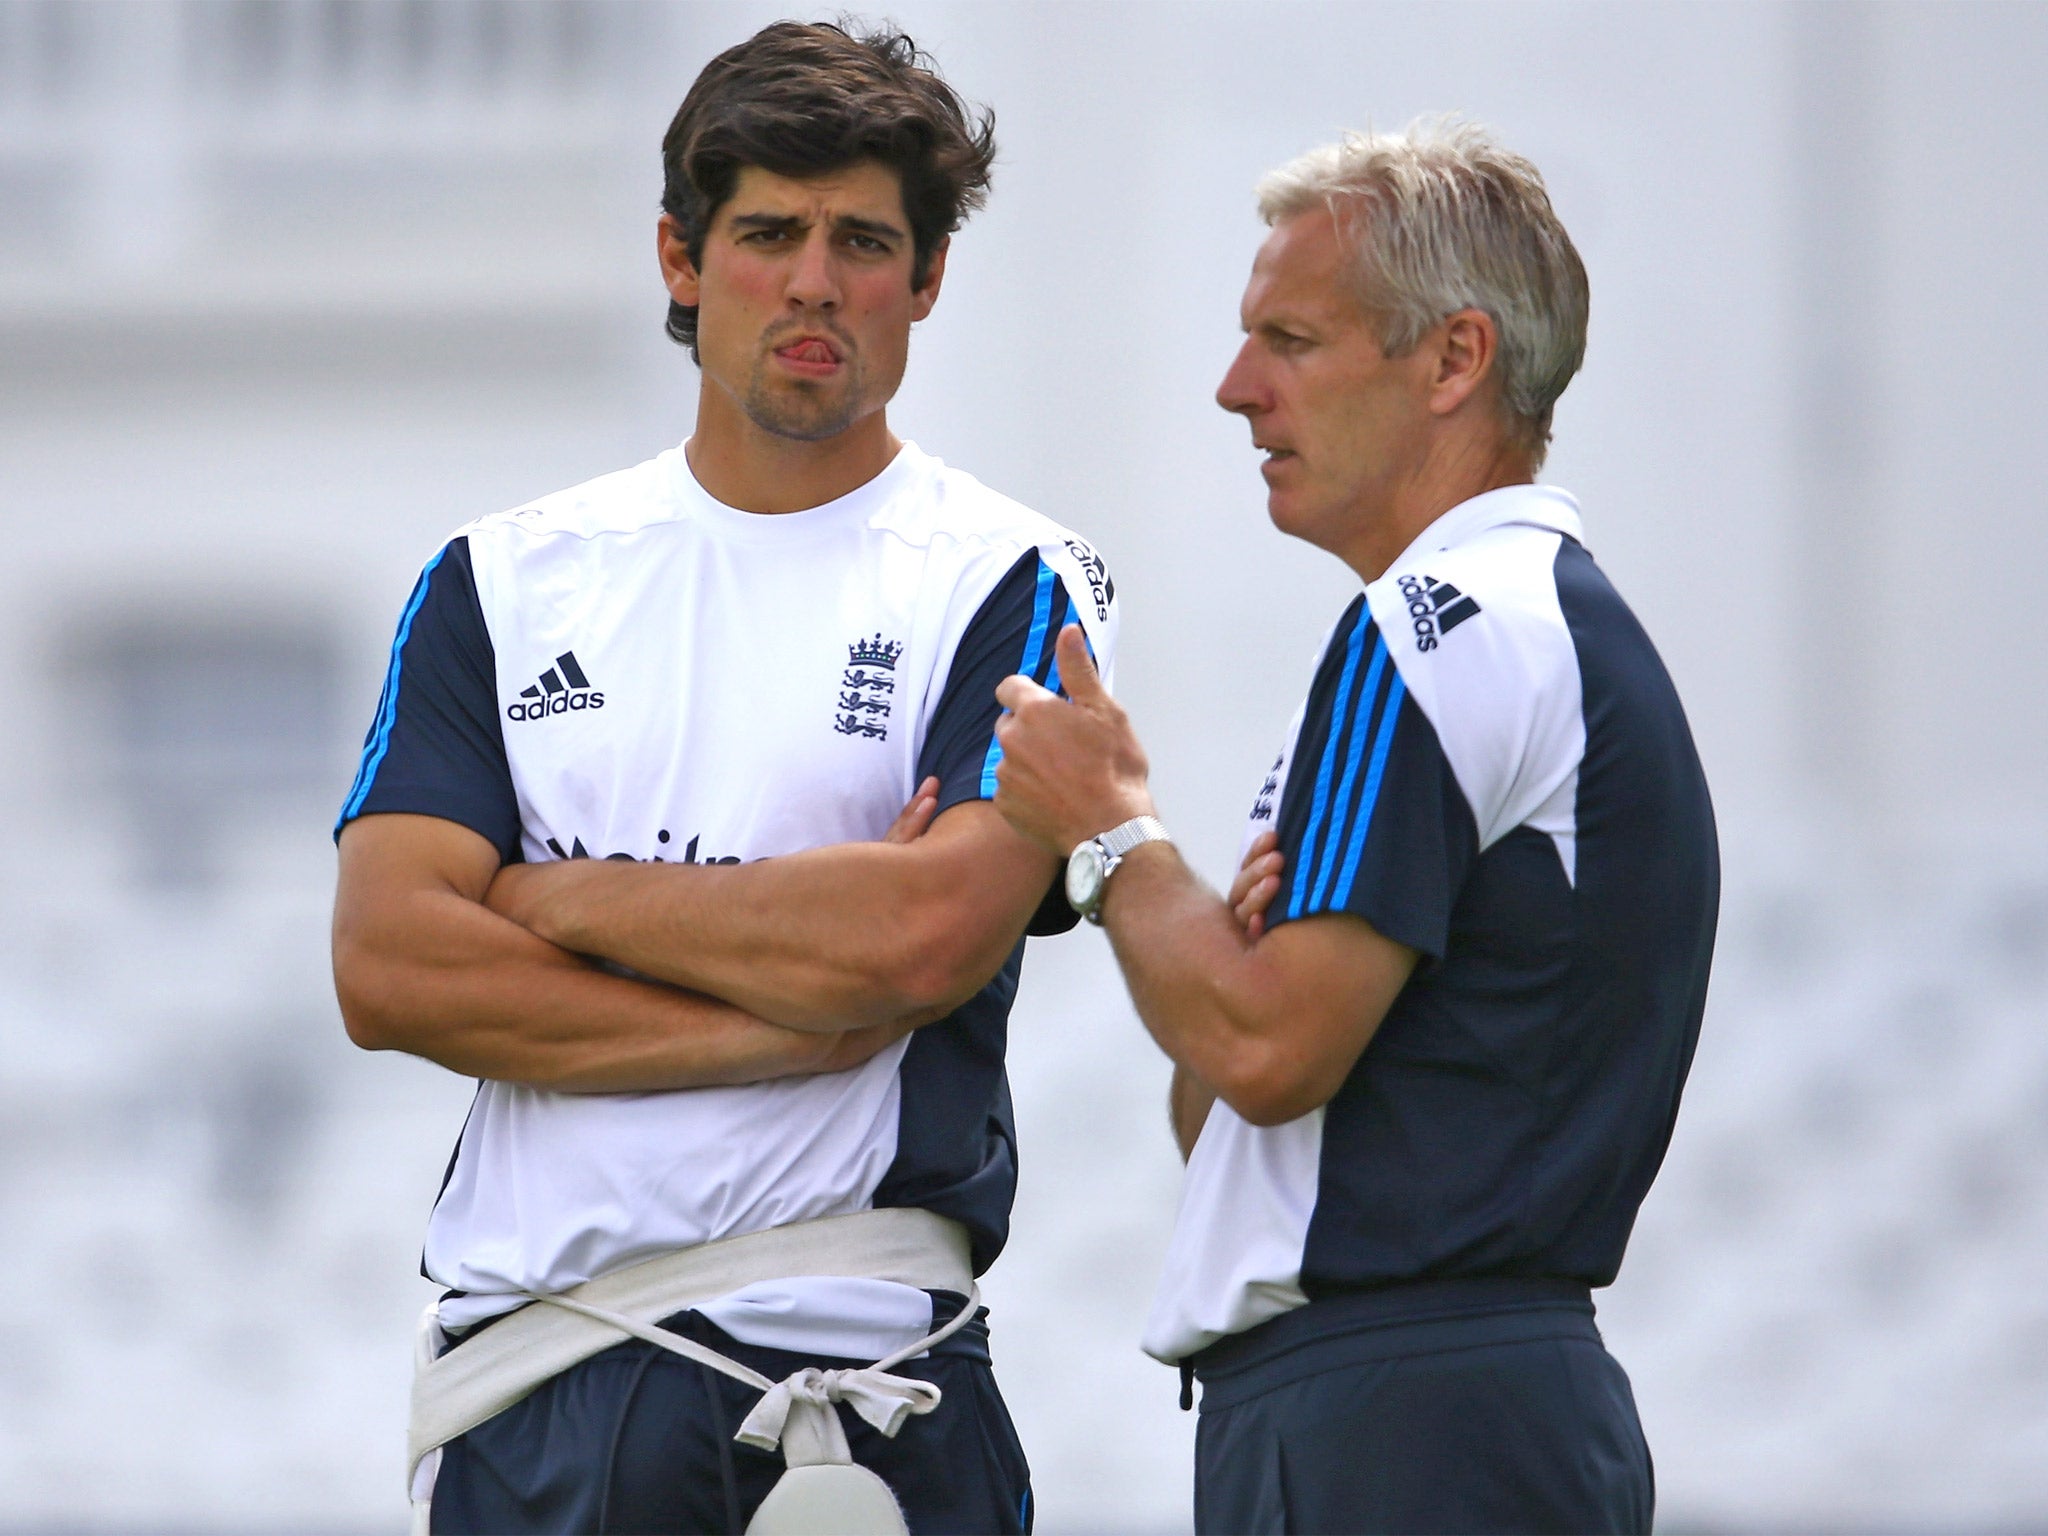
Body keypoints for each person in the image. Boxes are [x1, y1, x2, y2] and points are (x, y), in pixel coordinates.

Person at [330, 21, 1114, 1535]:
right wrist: (794, 1020)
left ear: (927, 281)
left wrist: (550, 893)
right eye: (767, 232)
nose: (814, 280)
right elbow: (389, 966)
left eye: (863, 241)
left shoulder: (1017, 577)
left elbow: (922, 940)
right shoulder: (501, 577)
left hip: (870, 1394)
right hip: (540, 1388)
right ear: (683, 260)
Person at [990, 118, 1717, 1534]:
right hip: (1431, 1395)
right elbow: (1224, 1097)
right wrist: (1202, 927)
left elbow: (1262, 1050)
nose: (1234, 388)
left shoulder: (1441, 627)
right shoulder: (1517, 625)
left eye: (1293, 340)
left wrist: (1108, 836)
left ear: (1454, 361)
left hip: (1407, 1410)